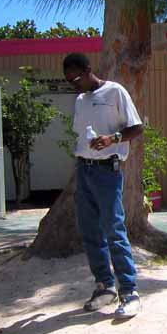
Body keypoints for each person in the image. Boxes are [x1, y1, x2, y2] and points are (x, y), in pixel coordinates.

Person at [63, 53, 144, 318]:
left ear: (88, 70)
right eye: (68, 81)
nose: (73, 85)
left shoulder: (115, 92)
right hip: (84, 170)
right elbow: (82, 133)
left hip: (107, 171)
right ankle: (104, 287)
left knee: (114, 230)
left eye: (76, 78)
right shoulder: (80, 100)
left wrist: (112, 139)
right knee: (90, 232)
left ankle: (129, 292)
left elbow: (137, 128)